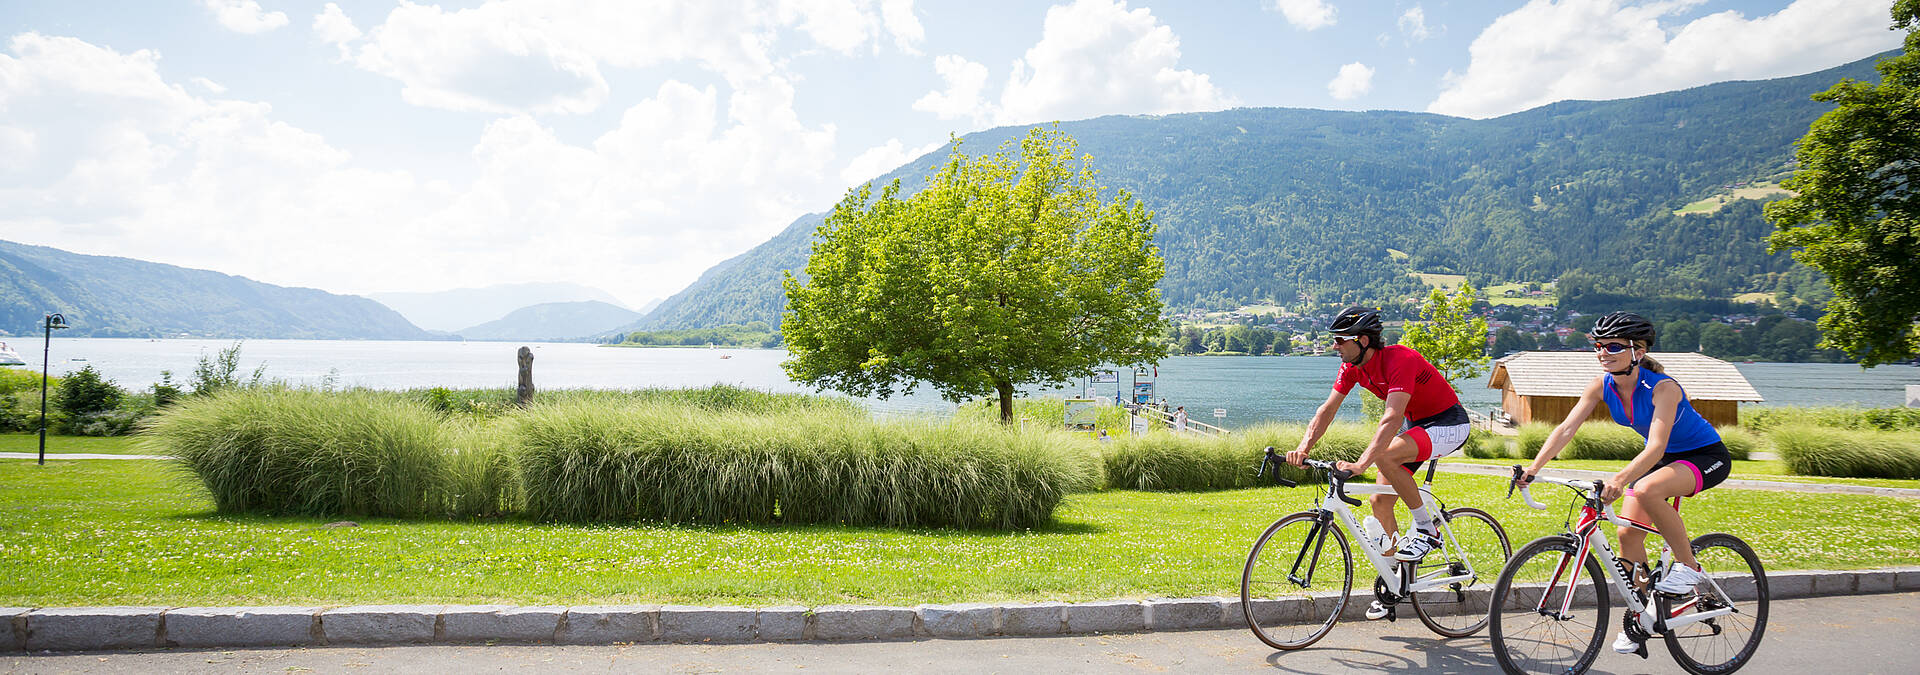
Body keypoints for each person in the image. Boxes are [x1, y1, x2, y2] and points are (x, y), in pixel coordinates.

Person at [1514, 311, 1730, 655]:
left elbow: (1656, 445)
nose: (1603, 352)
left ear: (1638, 351)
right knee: (1627, 533)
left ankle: (1689, 568)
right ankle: (1640, 618)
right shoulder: (1602, 385)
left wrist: (1620, 479)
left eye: (1613, 346)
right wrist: (1534, 469)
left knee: (1645, 489)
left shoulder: (1663, 388)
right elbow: (1566, 429)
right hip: (1663, 460)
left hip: (1704, 456)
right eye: (1598, 346)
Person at [1288, 307, 1473, 620]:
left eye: (1340, 340)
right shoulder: (1352, 367)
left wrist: (1361, 463)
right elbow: (1327, 410)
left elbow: (1391, 417)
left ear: (1362, 340)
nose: (1334, 345)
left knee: (1385, 456)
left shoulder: (1400, 359)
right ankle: (1394, 583)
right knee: (1379, 501)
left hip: (1448, 422)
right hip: (1416, 426)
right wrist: (1303, 448)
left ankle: (1427, 531)